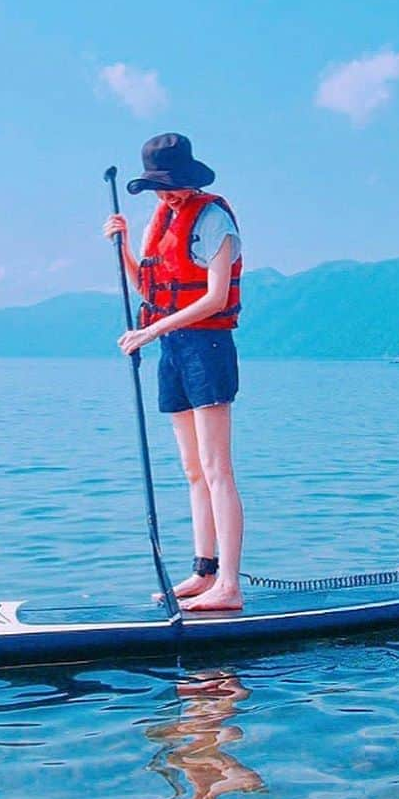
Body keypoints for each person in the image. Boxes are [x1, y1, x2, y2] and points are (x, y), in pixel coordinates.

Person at [103, 133, 244, 612]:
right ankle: (203, 573)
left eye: (172, 186)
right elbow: (148, 284)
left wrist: (149, 331)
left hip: (207, 346)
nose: (167, 195)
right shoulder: (159, 220)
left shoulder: (213, 219)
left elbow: (216, 298)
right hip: (173, 347)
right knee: (191, 471)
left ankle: (230, 583)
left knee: (217, 469)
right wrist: (122, 247)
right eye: (160, 188)